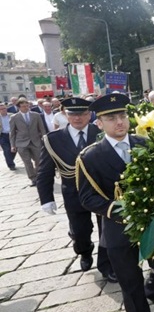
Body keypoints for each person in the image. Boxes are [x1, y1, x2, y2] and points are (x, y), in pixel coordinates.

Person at [77, 94, 154, 312]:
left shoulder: (145, 144)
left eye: (122, 116)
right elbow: (87, 197)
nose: (119, 122)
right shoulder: (90, 156)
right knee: (129, 280)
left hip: (152, 221)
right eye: (111, 118)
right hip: (118, 225)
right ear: (99, 123)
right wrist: (117, 209)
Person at [36, 97, 116, 282]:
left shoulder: (102, 132)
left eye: (82, 113)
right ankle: (84, 252)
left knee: (107, 231)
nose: (77, 118)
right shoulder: (53, 139)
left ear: (89, 114)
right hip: (74, 194)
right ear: (64, 114)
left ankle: (107, 265)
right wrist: (46, 199)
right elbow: (45, 170)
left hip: (102, 192)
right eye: (72, 114)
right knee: (80, 232)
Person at [9, 97, 46, 186]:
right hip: (21, 142)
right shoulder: (14, 117)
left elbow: (42, 128)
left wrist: (44, 139)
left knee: (38, 160)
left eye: (27, 106)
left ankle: (39, 176)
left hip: (35, 141)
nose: (26, 108)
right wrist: (13, 145)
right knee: (27, 162)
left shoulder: (36, 115)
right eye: (23, 106)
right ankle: (33, 178)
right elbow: (12, 132)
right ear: (19, 107)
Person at [0, 102, 17, 170]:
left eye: (4, 108)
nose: (4, 110)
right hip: (3, 135)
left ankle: (9, 160)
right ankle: (11, 165)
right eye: (1, 109)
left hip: (13, 135)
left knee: (14, 150)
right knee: (6, 150)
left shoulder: (12, 115)